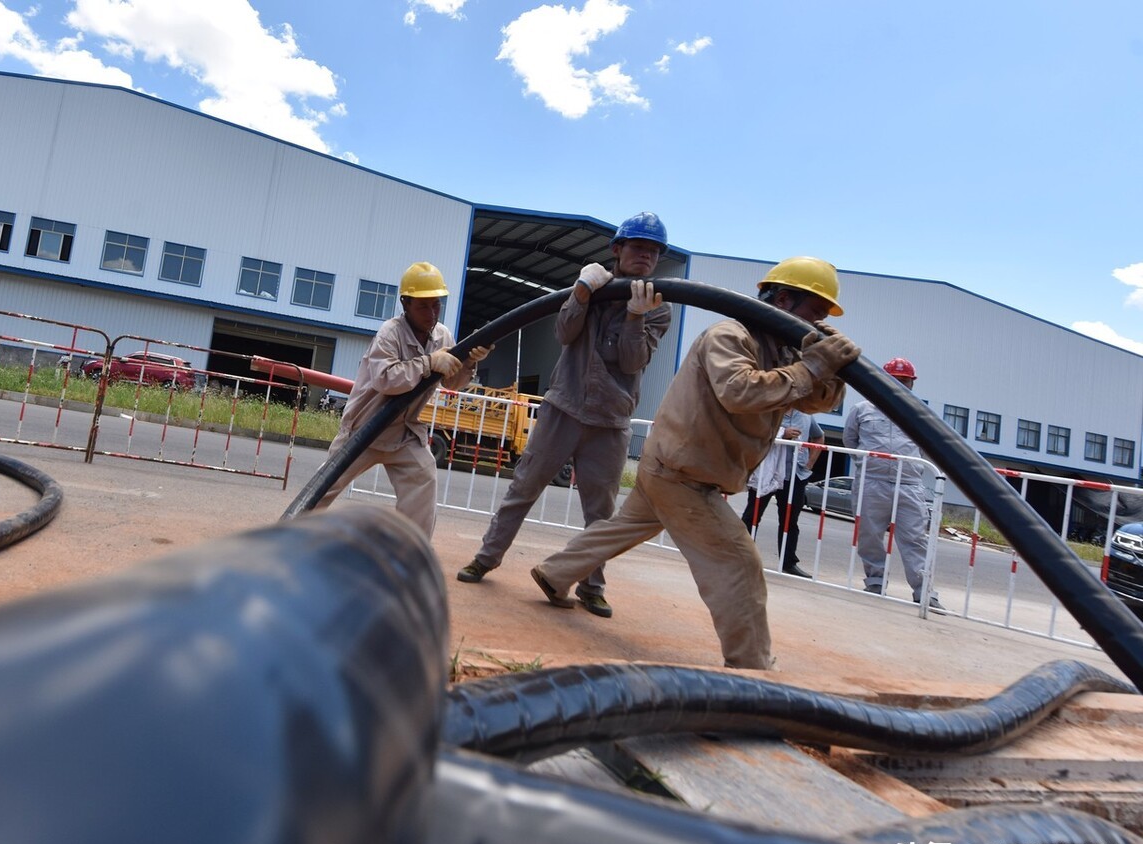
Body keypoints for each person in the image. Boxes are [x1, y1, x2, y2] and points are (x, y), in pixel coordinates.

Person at [530, 257, 860, 669]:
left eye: (823, 317)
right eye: (814, 312)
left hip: (670, 467)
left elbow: (814, 398)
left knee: (618, 531)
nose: (816, 322)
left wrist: (832, 368)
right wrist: (810, 366)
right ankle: (751, 668)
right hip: (683, 476)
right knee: (738, 564)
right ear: (785, 299)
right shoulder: (731, 336)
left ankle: (554, 572)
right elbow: (739, 391)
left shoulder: (782, 352)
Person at [456, 212, 673, 618]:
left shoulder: (658, 308)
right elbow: (564, 333)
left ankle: (592, 586)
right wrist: (582, 293)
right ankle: (485, 558)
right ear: (617, 250)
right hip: (563, 408)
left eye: (653, 251)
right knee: (522, 489)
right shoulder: (591, 288)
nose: (646, 256)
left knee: (601, 513)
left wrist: (635, 315)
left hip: (610, 421)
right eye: (638, 247)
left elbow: (631, 361)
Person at [316, 261, 491, 537]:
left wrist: (469, 361)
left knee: (423, 479)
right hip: (364, 430)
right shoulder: (390, 333)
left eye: (436, 305)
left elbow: (452, 381)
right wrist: (428, 363)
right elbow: (386, 379)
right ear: (405, 304)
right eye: (423, 306)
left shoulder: (442, 335)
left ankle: (411, 554)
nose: (431, 313)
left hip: (404, 433)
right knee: (321, 489)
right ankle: (288, 541)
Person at [842, 357, 943, 611]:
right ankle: (875, 582)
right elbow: (849, 440)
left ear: (912, 384)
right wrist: (869, 464)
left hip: (908, 483)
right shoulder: (861, 409)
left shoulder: (919, 412)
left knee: (915, 538)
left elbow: (930, 445)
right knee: (870, 534)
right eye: (894, 379)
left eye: (905, 381)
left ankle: (924, 592)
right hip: (871, 482)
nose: (899, 384)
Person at [740, 410, 823, 578]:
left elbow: (819, 437)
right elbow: (753, 432)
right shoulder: (770, 411)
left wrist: (809, 464)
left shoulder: (806, 416)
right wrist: (782, 434)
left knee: (790, 521)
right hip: (767, 473)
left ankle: (788, 563)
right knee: (752, 517)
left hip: (795, 476)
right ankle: (741, 557)